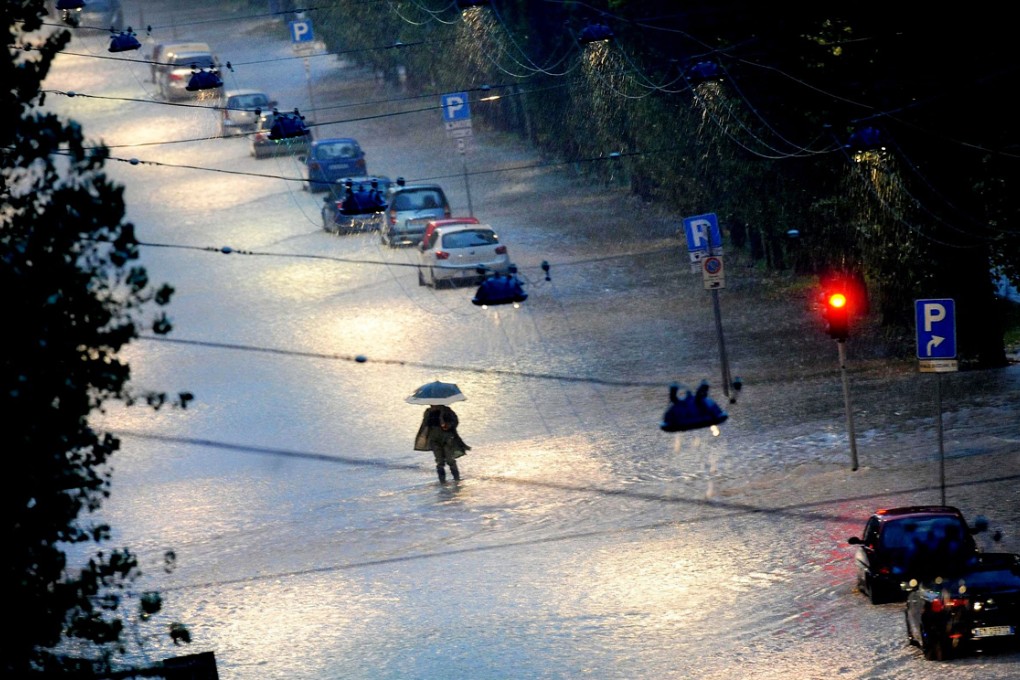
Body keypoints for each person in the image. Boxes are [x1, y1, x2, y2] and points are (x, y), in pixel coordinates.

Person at [414, 404, 470, 483]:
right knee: (439, 462)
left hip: (447, 438)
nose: (433, 404)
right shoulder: (428, 412)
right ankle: (442, 482)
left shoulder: (447, 410)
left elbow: (455, 421)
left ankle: (457, 479)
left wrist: (447, 424)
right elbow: (425, 424)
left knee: (450, 460)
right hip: (434, 439)